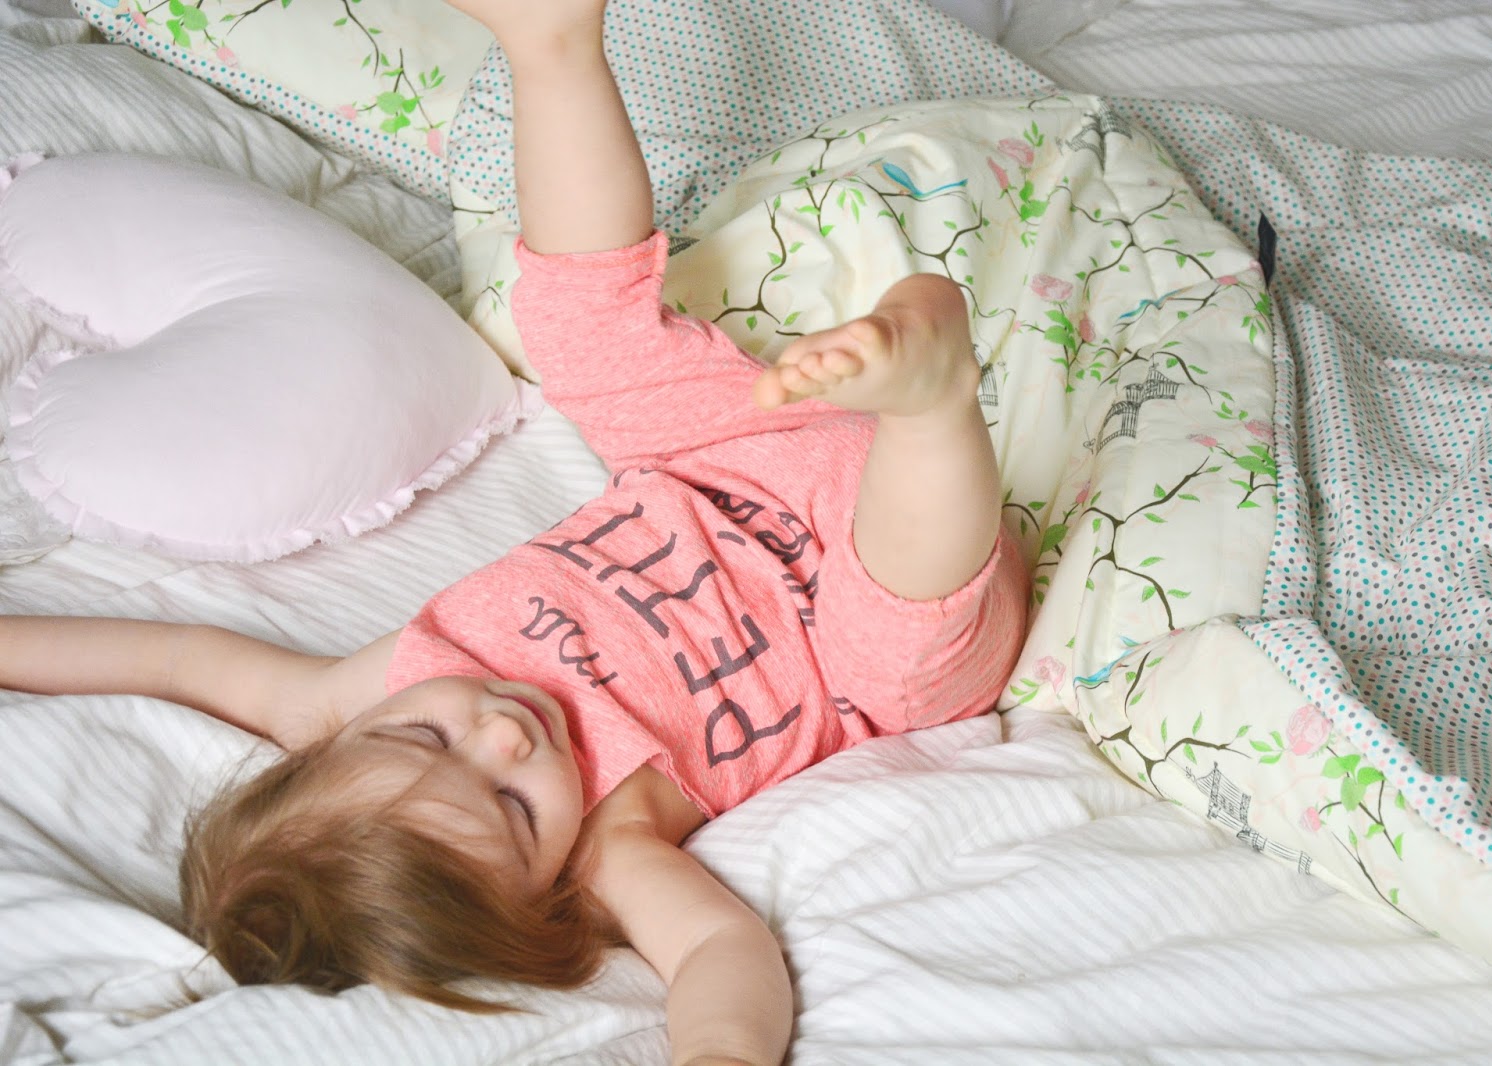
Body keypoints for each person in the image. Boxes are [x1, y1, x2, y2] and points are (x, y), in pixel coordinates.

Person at [0, 0, 1027, 1061]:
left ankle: (551, 46)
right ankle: (931, 404)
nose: (502, 735)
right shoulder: (611, 849)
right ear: (537, 902)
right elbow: (718, 949)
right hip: (859, 591)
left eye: (425, 736)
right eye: (513, 806)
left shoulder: (338, 695)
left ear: (332, 743)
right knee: (905, 658)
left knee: (582, 336)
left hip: (718, 456)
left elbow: (170, 657)